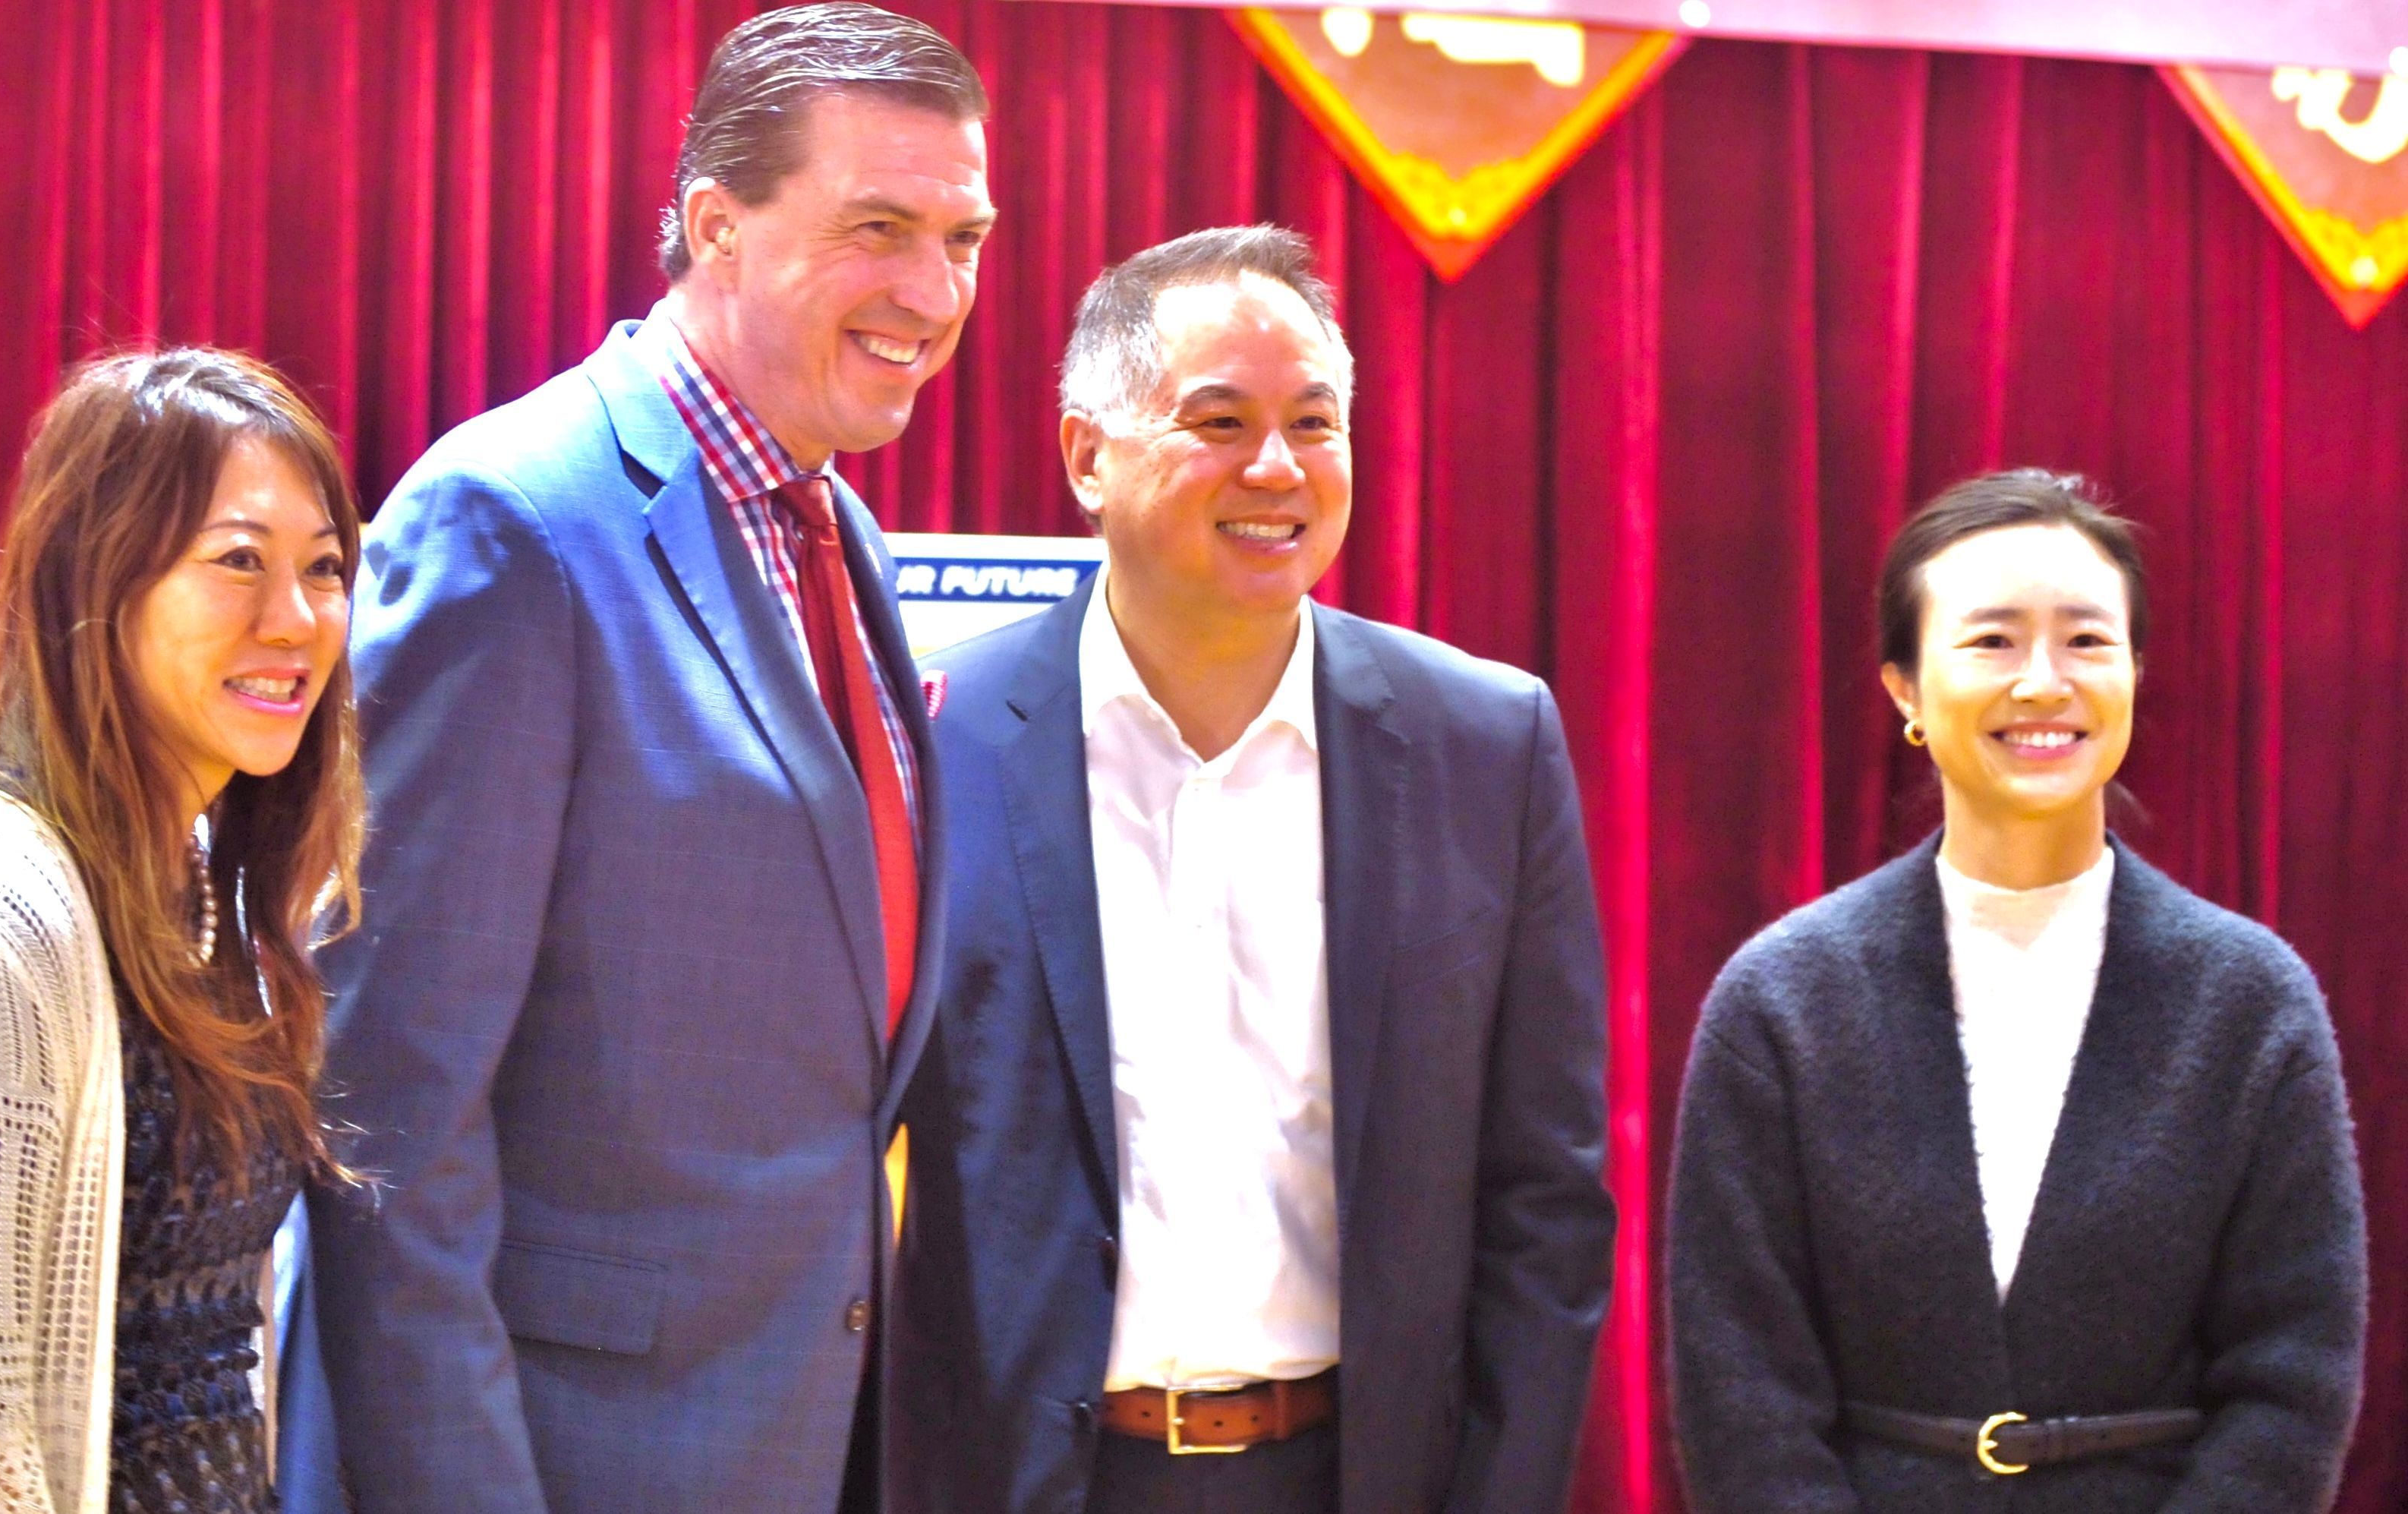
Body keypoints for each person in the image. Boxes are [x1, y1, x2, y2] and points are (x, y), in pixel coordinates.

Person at [299, 6, 989, 1511]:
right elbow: (383, 1121)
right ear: (714, 229)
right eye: (877, 227)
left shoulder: (843, 534)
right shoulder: (511, 522)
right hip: (566, 1456)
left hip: (802, 1442)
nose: (934, 292)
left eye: (964, 238)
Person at [889, 226, 1615, 1514]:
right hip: (1019, 1475)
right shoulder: (933, 737)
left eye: (1315, 422)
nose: (1277, 467)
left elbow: (1544, 1201)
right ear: (1086, 457)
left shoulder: (1486, 745)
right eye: (1219, 420)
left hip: (1356, 1471)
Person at [1666, 469, 2368, 1511]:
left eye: (2087, 640)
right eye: (1992, 640)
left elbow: (2293, 1374)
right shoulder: (1781, 1003)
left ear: (2134, 668)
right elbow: (1741, 1389)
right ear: (1905, 685)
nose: (2044, 682)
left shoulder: (2250, 1000)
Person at [0, 349, 364, 1514]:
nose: (299, 618)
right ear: (99, 584)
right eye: (238, 562)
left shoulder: (206, 884)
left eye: (324, 567)